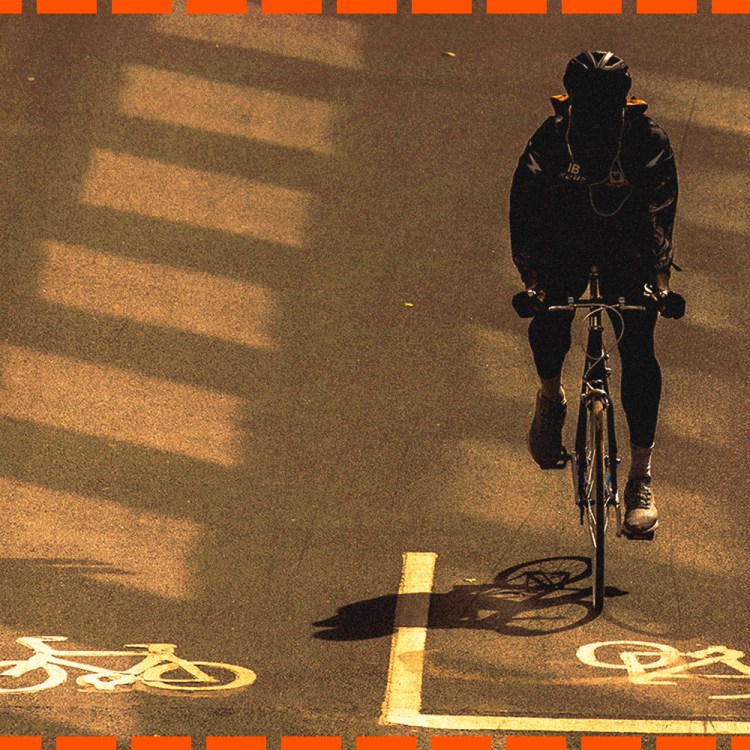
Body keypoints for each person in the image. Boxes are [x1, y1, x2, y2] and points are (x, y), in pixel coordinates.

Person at [509, 50, 685, 536]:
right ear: (572, 104)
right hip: (563, 243)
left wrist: (660, 283)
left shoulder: (648, 142)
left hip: (625, 251)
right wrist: (532, 280)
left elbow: (659, 211)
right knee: (549, 321)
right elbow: (524, 208)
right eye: (585, 108)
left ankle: (640, 478)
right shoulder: (550, 140)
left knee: (638, 349)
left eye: (606, 108)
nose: (594, 118)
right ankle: (550, 396)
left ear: (623, 104)